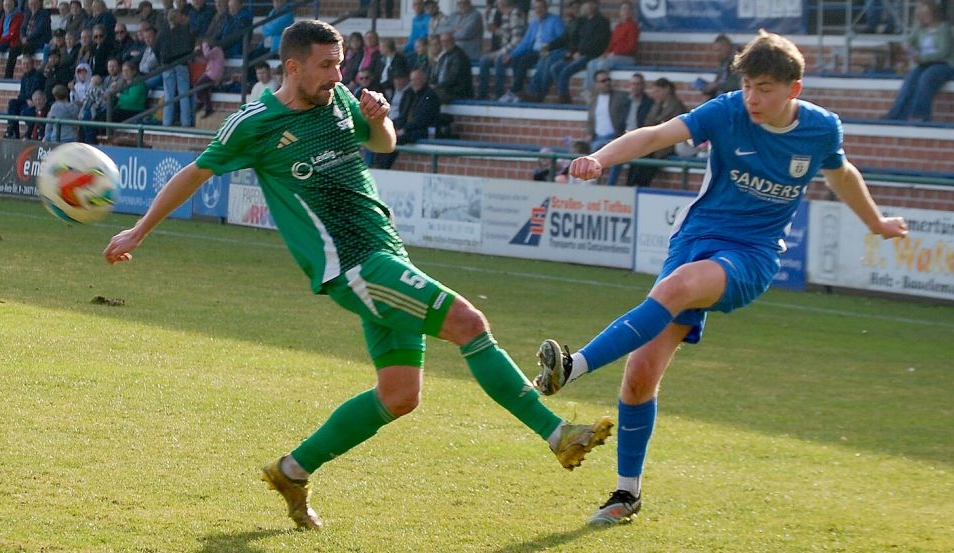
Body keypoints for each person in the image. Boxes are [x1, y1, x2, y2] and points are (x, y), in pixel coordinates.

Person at [102, 19, 613, 530]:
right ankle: (556, 432)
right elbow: (195, 173)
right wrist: (140, 231)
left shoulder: (342, 99)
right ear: (293, 66)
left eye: (340, 63)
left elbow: (384, 144)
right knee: (468, 323)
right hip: (350, 265)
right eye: (326, 65)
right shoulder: (255, 122)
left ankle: (292, 470)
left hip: (385, 254)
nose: (336, 74)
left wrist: (380, 117)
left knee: (399, 395)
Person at [533, 30, 909, 527]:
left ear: (793, 90)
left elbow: (843, 176)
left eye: (767, 88)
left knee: (678, 288)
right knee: (640, 375)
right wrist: (600, 158)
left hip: (751, 255)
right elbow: (655, 135)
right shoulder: (727, 110)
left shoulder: (820, 129)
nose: (753, 97)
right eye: (749, 85)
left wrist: (877, 223)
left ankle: (573, 366)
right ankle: (626, 494)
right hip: (694, 241)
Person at [884, 0, 954, 122]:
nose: (924, 17)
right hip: (925, 64)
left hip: (945, 64)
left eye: (927, 14)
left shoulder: (944, 28)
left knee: (926, 77)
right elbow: (906, 41)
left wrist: (921, 58)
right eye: (921, 14)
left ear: (933, 13)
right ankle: (896, 115)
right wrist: (911, 52)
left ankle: (920, 115)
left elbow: (943, 52)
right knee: (911, 78)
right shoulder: (920, 29)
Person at [624, 77, 687, 187]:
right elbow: (648, 122)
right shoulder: (656, 105)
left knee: (648, 157)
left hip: (667, 144)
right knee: (637, 154)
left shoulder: (677, 106)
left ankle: (641, 186)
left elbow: (677, 128)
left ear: (667, 89)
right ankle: (630, 186)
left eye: (658, 91)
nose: (655, 94)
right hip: (653, 140)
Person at [500, 0, 564, 103]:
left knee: (524, 61)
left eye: (541, 7)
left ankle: (514, 90)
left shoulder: (555, 20)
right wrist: (511, 55)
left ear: (546, 8)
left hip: (547, 51)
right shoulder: (534, 23)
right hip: (533, 51)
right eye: (536, 8)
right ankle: (518, 91)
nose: (539, 10)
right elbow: (525, 43)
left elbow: (562, 39)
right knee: (516, 59)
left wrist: (549, 48)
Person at [583, 0, 638, 95]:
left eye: (628, 9)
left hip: (627, 57)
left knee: (602, 64)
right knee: (592, 63)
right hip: (614, 56)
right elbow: (611, 44)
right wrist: (605, 54)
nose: (625, 12)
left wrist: (615, 53)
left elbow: (631, 47)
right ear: (620, 12)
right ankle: (589, 90)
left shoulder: (633, 26)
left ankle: (600, 90)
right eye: (623, 9)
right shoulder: (618, 26)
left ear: (632, 12)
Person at [475, 0, 524, 100]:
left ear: (502, 4)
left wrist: (499, 52)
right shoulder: (505, 15)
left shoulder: (515, 14)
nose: (497, 8)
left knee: (498, 60)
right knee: (484, 60)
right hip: (504, 49)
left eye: (497, 5)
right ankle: (482, 94)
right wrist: (490, 22)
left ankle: (499, 94)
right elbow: (505, 34)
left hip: (514, 53)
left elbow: (517, 40)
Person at [4, 54, 44, 138]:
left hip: (35, 103)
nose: (25, 66)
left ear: (32, 64)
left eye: (28, 63)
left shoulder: (38, 75)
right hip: (26, 102)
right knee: (13, 103)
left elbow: (34, 92)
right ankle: (12, 131)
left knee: (24, 111)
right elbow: (21, 95)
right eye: (24, 64)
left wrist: (26, 98)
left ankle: (26, 134)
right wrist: (26, 99)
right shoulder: (24, 77)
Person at [429, 31, 471, 103]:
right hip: (443, 89)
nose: (444, 44)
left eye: (447, 41)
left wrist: (437, 86)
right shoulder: (444, 56)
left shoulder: (459, 56)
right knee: (422, 93)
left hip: (456, 91)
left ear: (453, 41)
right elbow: (436, 75)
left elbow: (453, 78)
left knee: (428, 97)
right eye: (442, 41)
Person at [697, 34, 740, 100]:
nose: (717, 54)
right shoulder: (723, 62)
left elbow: (738, 84)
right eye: (715, 51)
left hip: (733, 98)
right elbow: (719, 81)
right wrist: (709, 88)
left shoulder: (739, 60)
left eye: (719, 50)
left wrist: (717, 86)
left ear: (727, 47)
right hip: (720, 96)